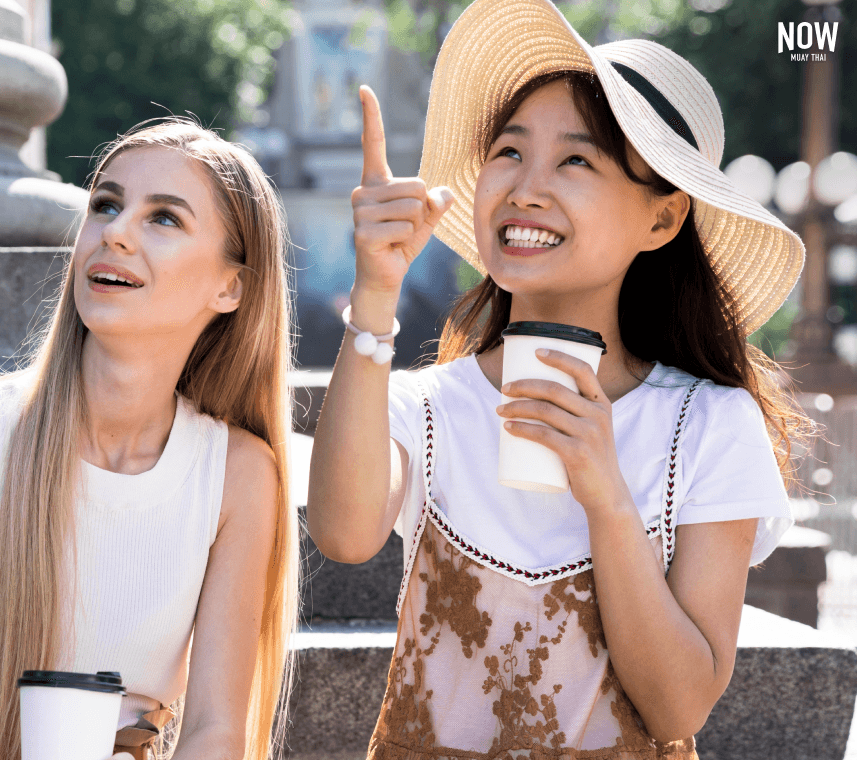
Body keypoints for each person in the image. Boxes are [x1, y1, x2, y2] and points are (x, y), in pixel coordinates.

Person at [307, 0, 810, 756]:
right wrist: (373, 296)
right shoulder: (431, 407)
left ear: (663, 220)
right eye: (509, 152)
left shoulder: (708, 423)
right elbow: (344, 535)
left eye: (577, 159)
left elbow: (678, 710)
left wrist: (607, 497)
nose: (526, 187)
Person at [0, 120, 299, 760]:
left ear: (231, 286)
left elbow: (215, 734)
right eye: (106, 205)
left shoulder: (239, 475)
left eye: (164, 219)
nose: (115, 232)